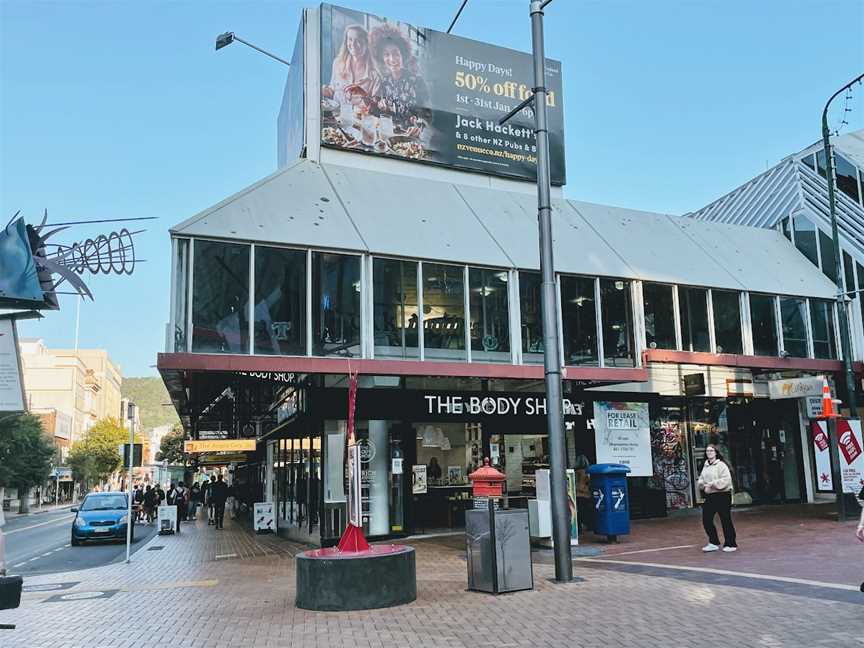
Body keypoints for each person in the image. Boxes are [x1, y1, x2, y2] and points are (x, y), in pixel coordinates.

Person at [369, 24, 429, 125]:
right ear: (382, 58)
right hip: (393, 134)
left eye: (395, 53)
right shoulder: (385, 81)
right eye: (386, 54)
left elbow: (428, 117)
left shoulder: (417, 81)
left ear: (403, 54)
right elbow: (380, 113)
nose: (392, 59)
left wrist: (419, 122)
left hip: (413, 137)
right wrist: (381, 107)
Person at [323, 24, 378, 104]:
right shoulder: (337, 63)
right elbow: (332, 91)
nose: (353, 44)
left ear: (367, 43)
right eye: (350, 39)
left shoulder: (374, 75)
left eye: (358, 40)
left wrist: (363, 94)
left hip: (361, 116)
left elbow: (377, 108)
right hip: (336, 115)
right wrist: (323, 90)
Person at [697, 444, 737, 552]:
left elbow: (726, 481)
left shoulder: (721, 465)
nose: (709, 452)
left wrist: (712, 484)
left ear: (716, 452)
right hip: (710, 496)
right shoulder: (705, 466)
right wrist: (702, 484)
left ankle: (731, 543)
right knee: (706, 519)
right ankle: (713, 542)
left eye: (711, 451)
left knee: (725, 519)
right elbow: (701, 479)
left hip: (723, 495)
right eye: (707, 451)